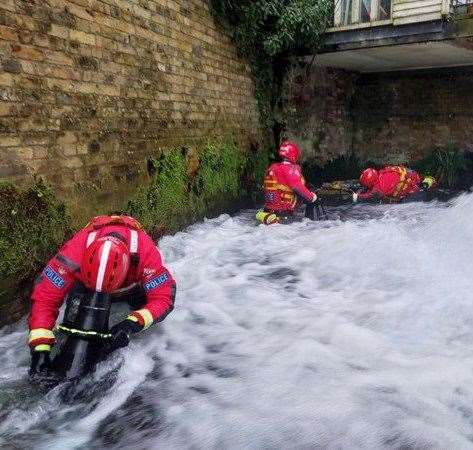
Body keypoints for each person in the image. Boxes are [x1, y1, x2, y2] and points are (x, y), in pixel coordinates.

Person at [28, 215, 176, 376]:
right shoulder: (74, 252)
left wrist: (132, 323)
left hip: (130, 288)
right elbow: (45, 298)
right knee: (71, 328)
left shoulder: (145, 252)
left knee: (140, 318)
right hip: (85, 288)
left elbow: (163, 297)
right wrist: (39, 350)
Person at [257, 141, 318, 224]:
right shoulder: (291, 169)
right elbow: (297, 187)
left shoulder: (273, 167)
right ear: (293, 155)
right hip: (282, 213)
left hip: (268, 211)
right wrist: (311, 197)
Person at [354, 166, 427, 202]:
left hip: (412, 189)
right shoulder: (382, 173)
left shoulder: (378, 188)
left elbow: (366, 196)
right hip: (414, 175)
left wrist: (356, 196)